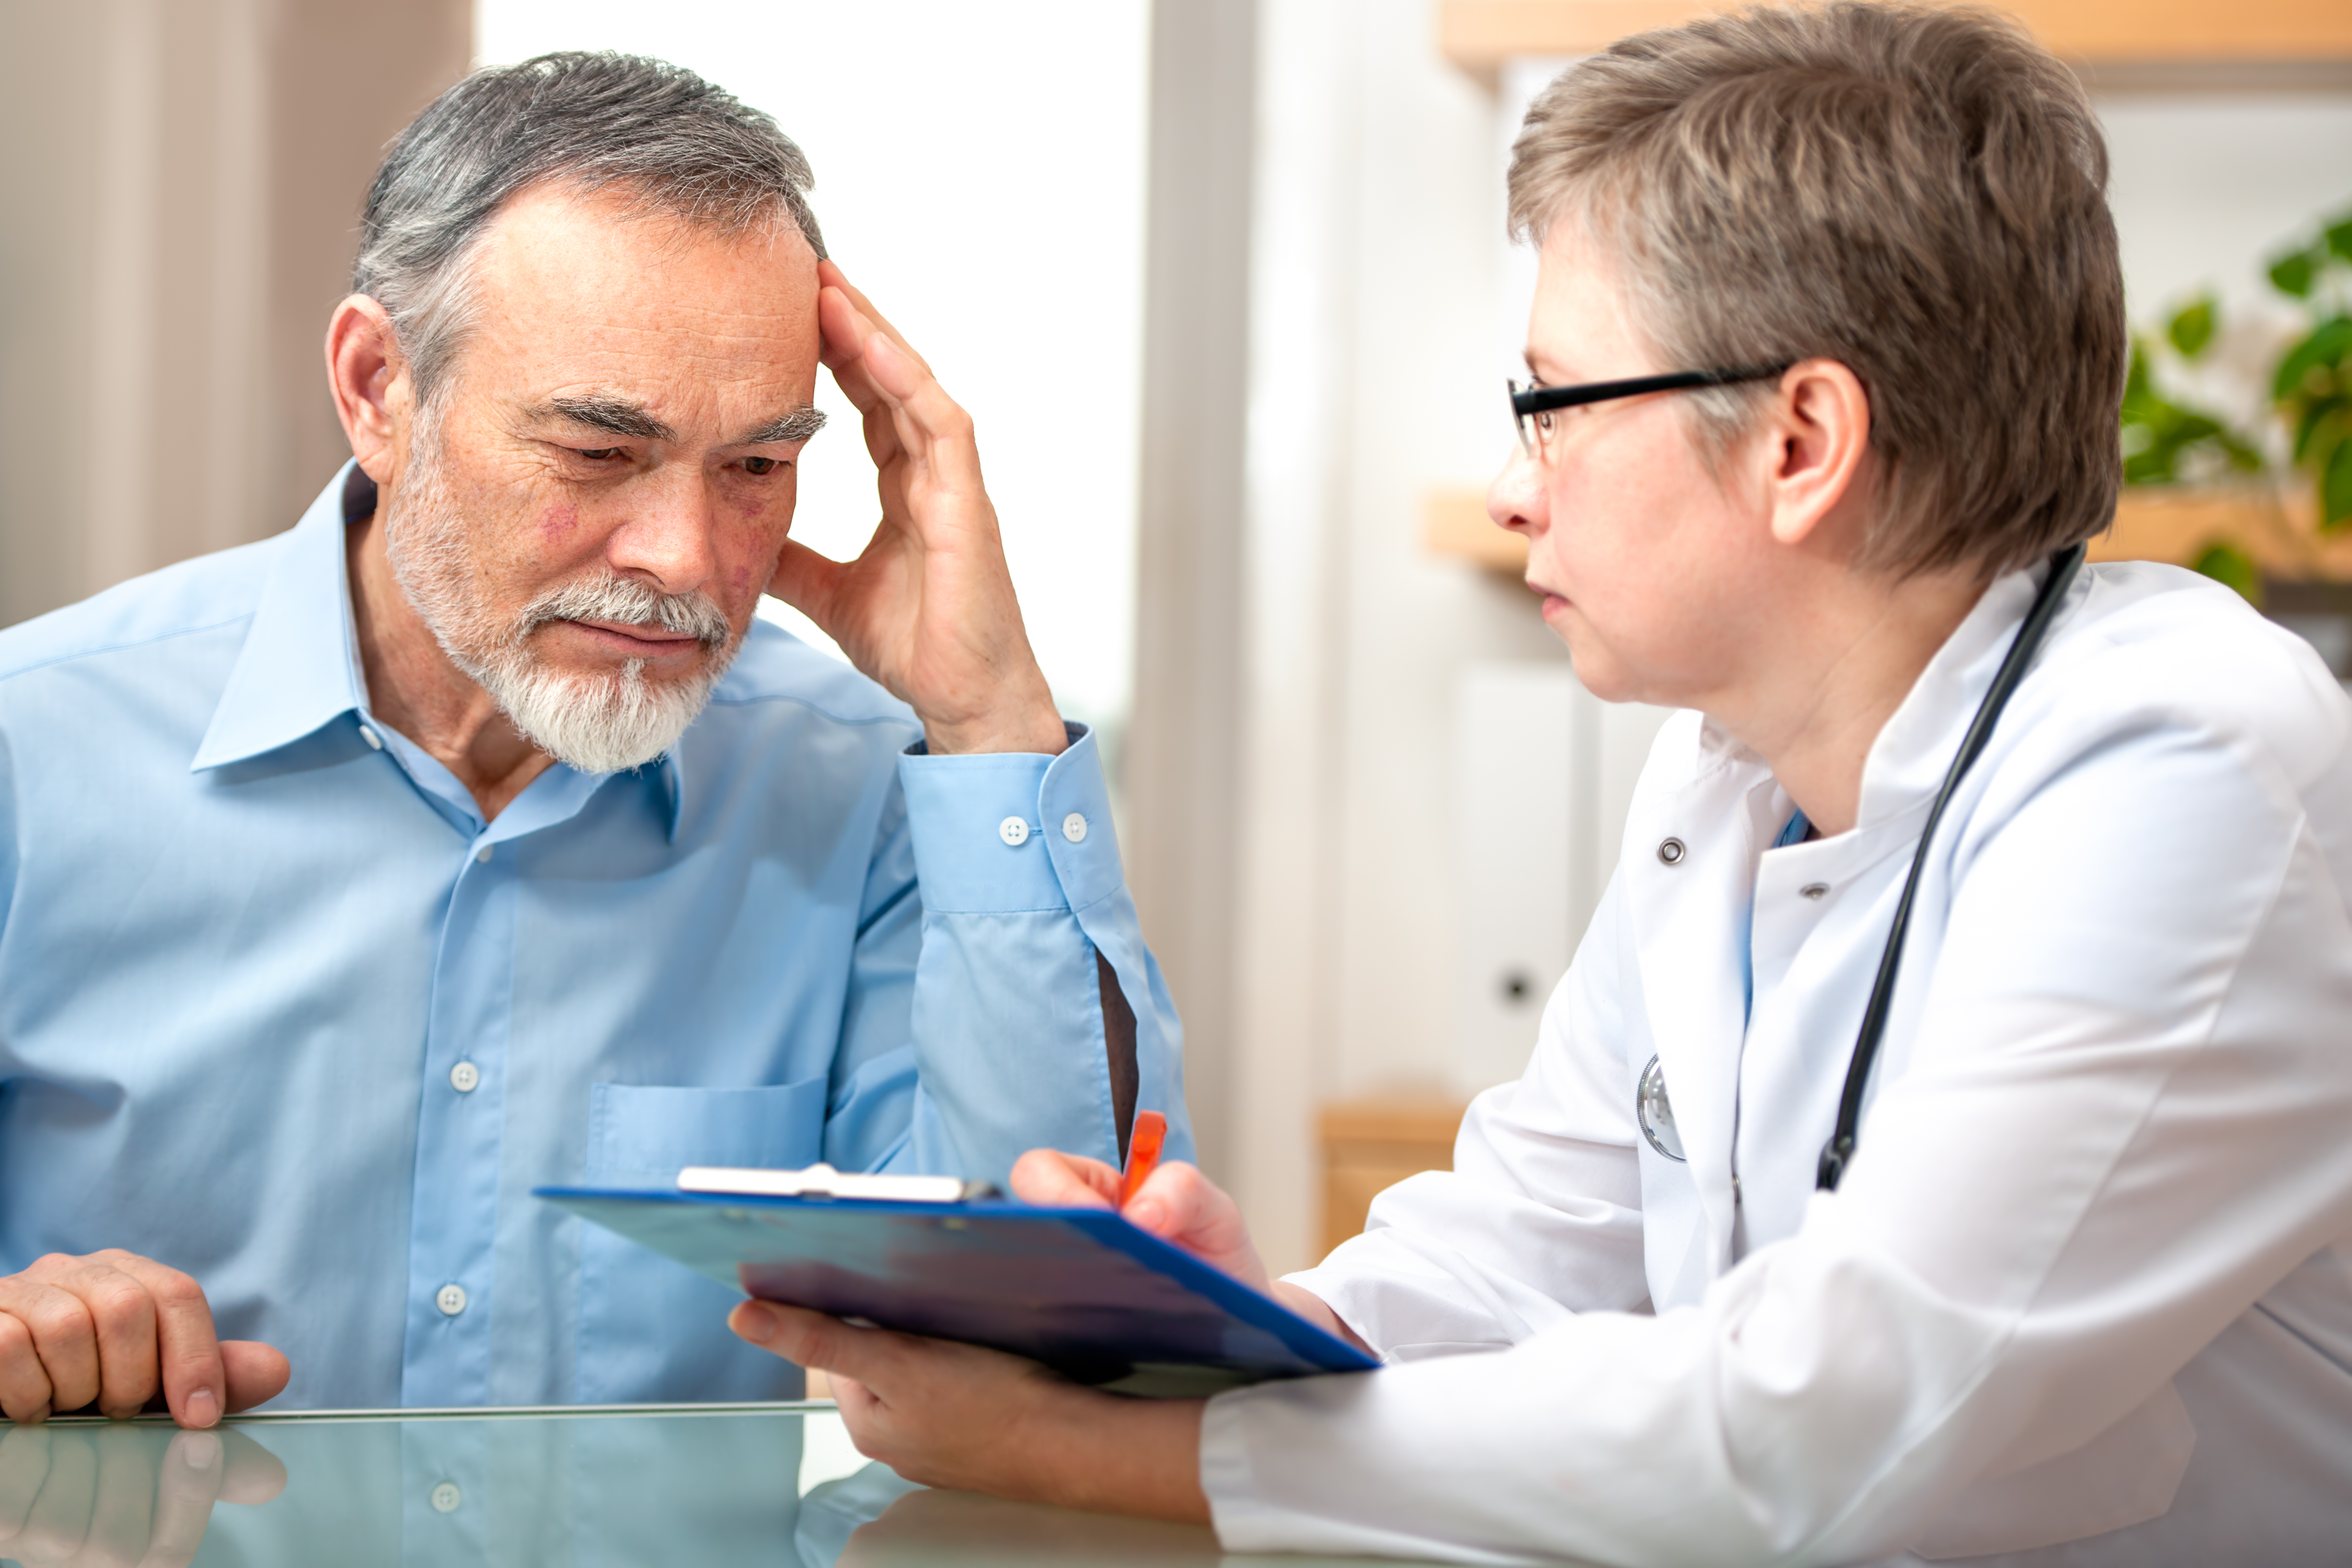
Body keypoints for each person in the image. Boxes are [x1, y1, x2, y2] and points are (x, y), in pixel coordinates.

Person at [728, 6, 2352, 1562]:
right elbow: (1531, 1243)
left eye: (1553, 405)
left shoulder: (2186, 761)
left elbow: (1825, 1417)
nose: (1516, 490)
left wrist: (1109, 1453)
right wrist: (1277, 1327)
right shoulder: (1723, 773)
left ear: (1802, 443)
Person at [0, 52, 1188, 1426]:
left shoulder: (868, 792)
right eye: (597, 453)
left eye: (755, 467)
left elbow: (1065, 1343)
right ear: (381, 387)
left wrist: (989, 720)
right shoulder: (33, 749)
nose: (684, 557)